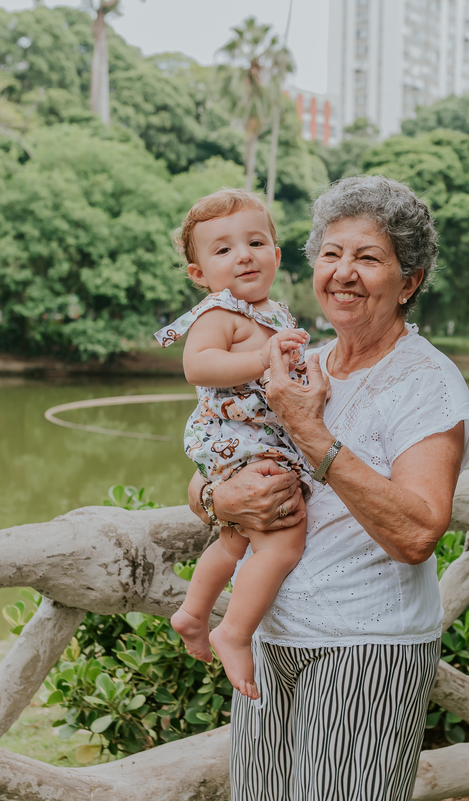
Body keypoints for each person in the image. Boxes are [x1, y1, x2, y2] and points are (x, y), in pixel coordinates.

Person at [189, 175, 469, 801]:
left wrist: (308, 430)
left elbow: (417, 532)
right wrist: (219, 499)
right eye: (331, 254)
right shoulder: (300, 361)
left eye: (368, 258)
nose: (343, 273)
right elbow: (218, 464)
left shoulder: (425, 383)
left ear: (410, 281)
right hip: (273, 639)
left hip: (364, 651)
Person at [157, 188, 312, 700]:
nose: (243, 255)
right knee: (284, 536)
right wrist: (264, 358)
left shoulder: (275, 311)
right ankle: (234, 631)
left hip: (262, 440)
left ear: (276, 253)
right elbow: (197, 365)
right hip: (237, 442)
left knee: (237, 538)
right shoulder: (218, 313)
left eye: (255, 241)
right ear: (199, 272)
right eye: (222, 250)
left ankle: (193, 613)